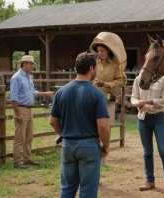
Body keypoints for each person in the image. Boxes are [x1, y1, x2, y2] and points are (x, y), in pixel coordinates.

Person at [49, 52, 110, 198]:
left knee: (67, 189)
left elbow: (52, 121)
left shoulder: (61, 92)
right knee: (88, 191)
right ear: (91, 68)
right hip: (89, 145)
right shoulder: (97, 95)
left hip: (68, 145)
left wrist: (64, 134)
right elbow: (103, 126)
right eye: (95, 68)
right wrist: (106, 146)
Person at [131, 74, 164, 192]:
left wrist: (149, 101)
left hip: (159, 118)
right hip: (143, 118)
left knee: (163, 150)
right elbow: (133, 97)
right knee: (147, 152)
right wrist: (137, 102)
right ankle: (149, 181)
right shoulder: (139, 78)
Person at [10, 55, 54, 169]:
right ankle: (18, 162)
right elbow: (13, 98)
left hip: (28, 109)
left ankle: (27, 158)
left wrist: (46, 93)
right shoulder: (17, 78)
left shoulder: (28, 77)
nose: (32, 66)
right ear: (24, 64)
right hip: (21, 108)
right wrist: (18, 113)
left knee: (29, 136)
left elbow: (32, 92)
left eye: (32, 64)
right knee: (20, 137)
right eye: (30, 64)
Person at [90, 32, 127, 165]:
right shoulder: (93, 63)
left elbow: (120, 81)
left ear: (108, 51)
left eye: (103, 50)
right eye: (98, 50)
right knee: (93, 126)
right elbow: (88, 77)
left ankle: (103, 158)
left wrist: (107, 84)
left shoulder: (116, 65)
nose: (100, 53)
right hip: (93, 98)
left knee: (107, 126)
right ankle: (93, 154)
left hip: (108, 99)